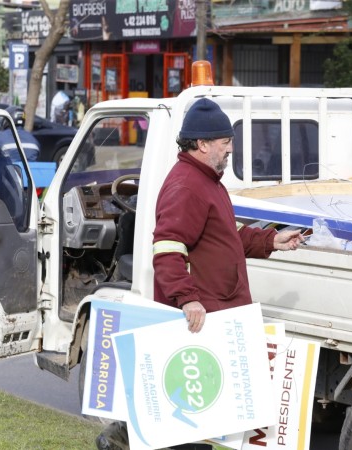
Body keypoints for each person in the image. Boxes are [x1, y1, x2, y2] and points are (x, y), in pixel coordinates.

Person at [96, 98, 304, 450]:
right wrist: (188, 299)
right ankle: (121, 436)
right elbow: (167, 247)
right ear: (203, 144)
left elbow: (228, 238)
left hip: (215, 313)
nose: (230, 150)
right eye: (225, 143)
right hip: (202, 317)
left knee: (192, 414)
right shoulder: (188, 186)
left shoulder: (208, 182)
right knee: (191, 416)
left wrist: (272, 240)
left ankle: (123, 436)